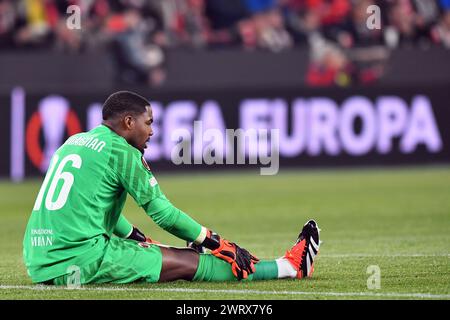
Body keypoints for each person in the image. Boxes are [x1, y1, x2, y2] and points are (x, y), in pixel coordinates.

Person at [22, 91, 320, 285]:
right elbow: (162, 213)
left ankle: (285, 265)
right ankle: (290, 267)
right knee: (188, 261)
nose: (152, 131)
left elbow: (92, 207)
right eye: (148, 123)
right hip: (76, 261)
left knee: (160, 251)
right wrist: (216, 241)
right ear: (128, 121)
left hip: (38, 261)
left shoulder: (74, 141)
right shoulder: (122, 152)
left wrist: (132, 235)